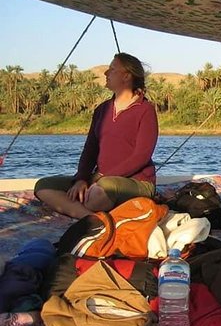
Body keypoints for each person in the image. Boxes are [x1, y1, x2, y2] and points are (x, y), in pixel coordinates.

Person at [34, 53, 158, 219]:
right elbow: (90, 150)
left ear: (126, 76)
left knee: (101, 190)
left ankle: (81, 210)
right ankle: (91, 219)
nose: (106, 73)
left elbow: (141, 156)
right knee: (43, 186)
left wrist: (102, 177)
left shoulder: (145, 110)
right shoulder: (102, 110)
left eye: (112, 69)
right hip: (99, 179)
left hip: (136, 182)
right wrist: (81, 179)